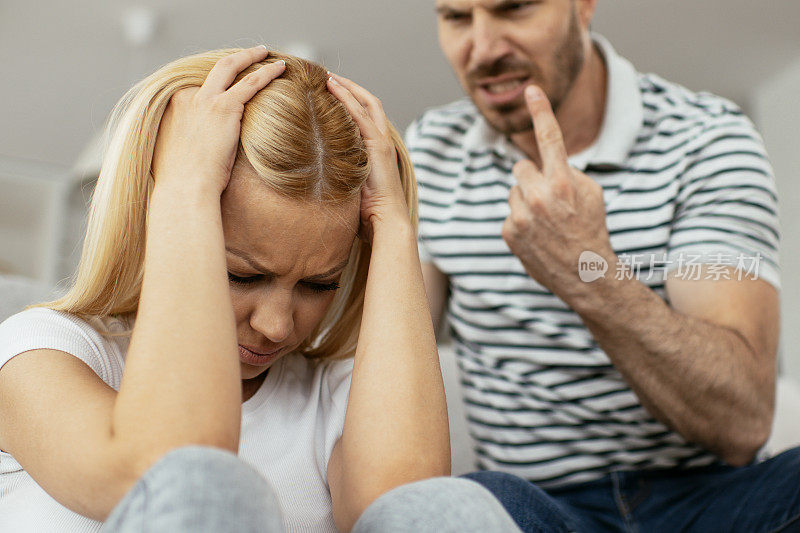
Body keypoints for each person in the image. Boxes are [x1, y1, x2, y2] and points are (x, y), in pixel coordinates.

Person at [0, 47, 522, 533]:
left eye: (318, 285)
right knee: (207, 484)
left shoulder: (337, 399)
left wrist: (395, 225)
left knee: (459, 504)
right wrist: (185, 189)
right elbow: (165, 474)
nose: (276, 325)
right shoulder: (43, 352)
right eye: (243, 275)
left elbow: (408, 508)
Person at [406, 0, 800, 531]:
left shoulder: (707, 138)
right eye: (456, 17)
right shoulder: (429, 152)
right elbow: (376, 357)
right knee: (448, 505)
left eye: (515, 9)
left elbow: (743, 421)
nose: (483, 49)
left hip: (711, 499)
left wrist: (586, 272)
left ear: (584, 6)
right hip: (537, 506)